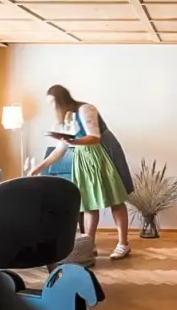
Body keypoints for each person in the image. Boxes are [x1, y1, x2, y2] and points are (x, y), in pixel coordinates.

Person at [29, 85, 134, 260]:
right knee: (89, 203)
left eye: (53, 102)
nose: (53, 107)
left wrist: (72, 141)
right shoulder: (66, 119)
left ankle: (123, 243)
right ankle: (88, 244)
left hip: (102, 153)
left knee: (115, 198)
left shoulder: (85, 109)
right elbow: (61, 149)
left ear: (61, 99)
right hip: (83, 158)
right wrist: (40, 167)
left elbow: (94, 137)